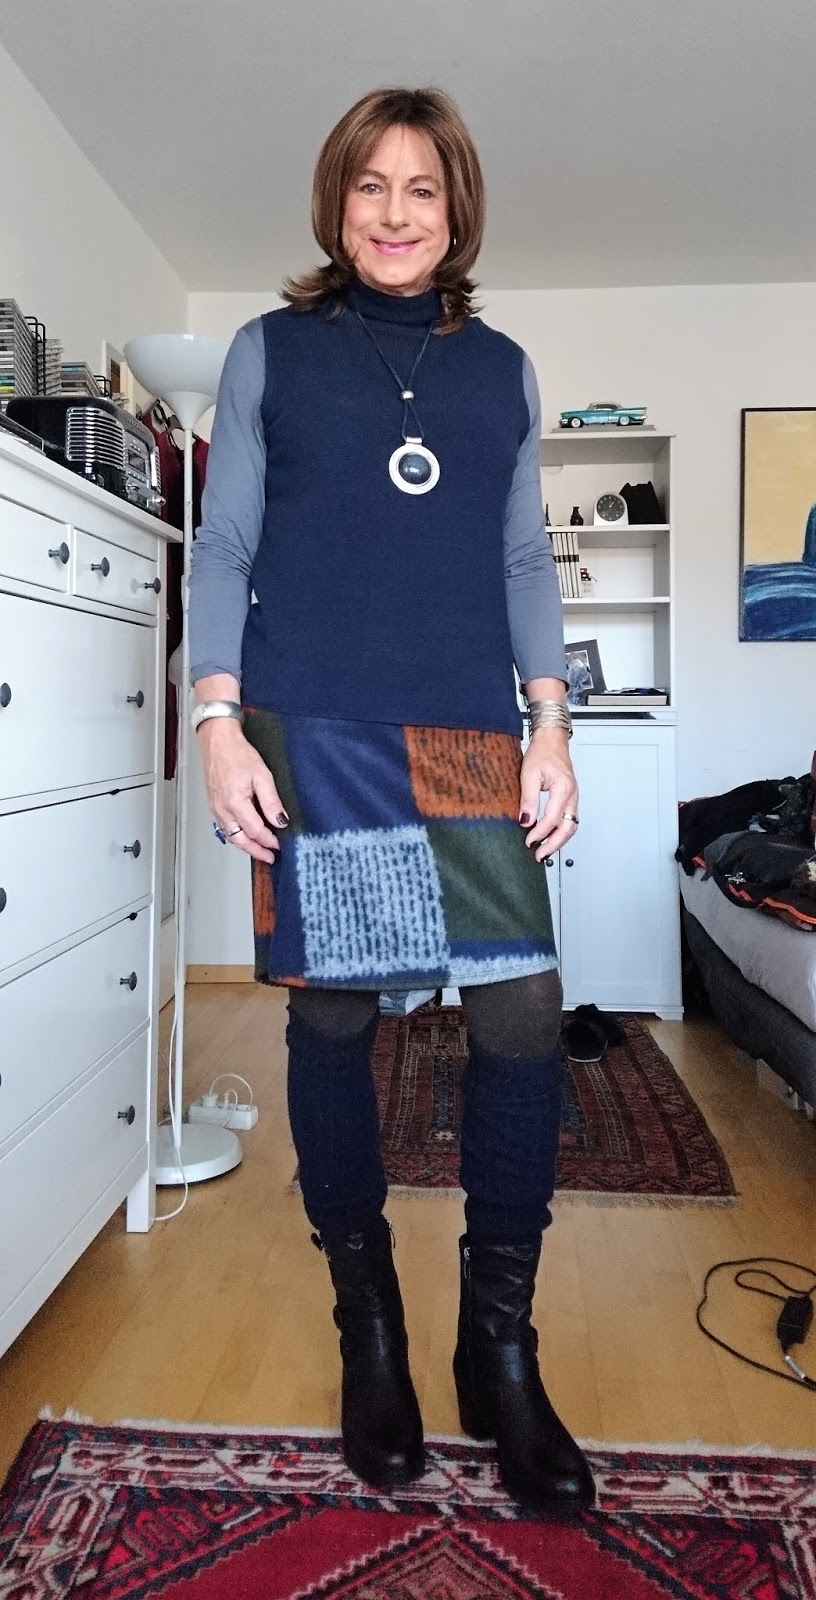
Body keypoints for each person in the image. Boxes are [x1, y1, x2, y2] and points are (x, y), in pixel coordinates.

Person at [188, 86, 594, 1515]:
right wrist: (218, 721)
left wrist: (552, 725)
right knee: (337, 1018)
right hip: (318, 726)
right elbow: (225, 544)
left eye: (423, 187)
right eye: (371, 184)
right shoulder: (271, 351)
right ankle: (371, 1333)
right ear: (336, 202)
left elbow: (522, 560)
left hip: (472, 731)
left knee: (522, 1011)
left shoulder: (503, 372)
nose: (396, 211)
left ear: (456, 208)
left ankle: (499, 1348)